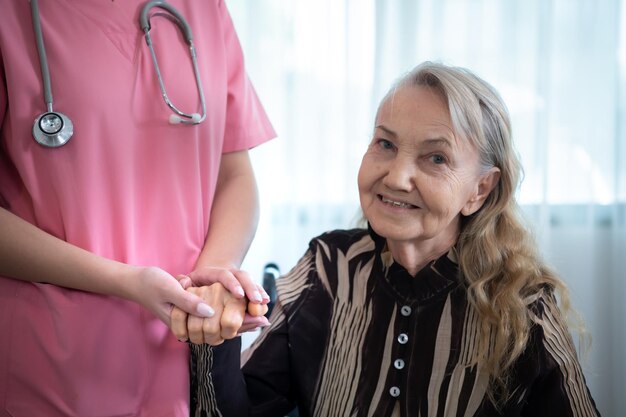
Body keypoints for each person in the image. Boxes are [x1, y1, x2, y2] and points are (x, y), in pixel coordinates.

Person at [172, 61, 601, 416]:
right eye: (385, 144)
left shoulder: (523, 304)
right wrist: (217, 333)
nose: (396, 177)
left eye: (436, 157)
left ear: (480, 190)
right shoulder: (328, 267)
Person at [0, 1, 273, 416]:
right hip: (54, 365)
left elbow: (233, 172)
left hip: (189, 354)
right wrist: (127, 281)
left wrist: (210, 277)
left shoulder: (205, 9)